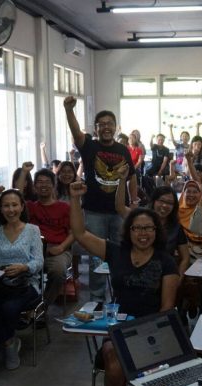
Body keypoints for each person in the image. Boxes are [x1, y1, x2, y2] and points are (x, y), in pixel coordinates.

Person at [69, 181, 179, 386]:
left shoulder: (166, 261)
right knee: (113, 360)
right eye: (137, 228)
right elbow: (80, 233)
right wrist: (74, 198)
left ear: (156, 231)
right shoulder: (115, 252)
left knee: (141, 371)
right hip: (120, 327)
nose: (143, 233)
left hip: (152, 329)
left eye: (148, 228)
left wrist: (145, 334)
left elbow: (167, 307)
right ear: (129, 231)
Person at [64, 95, 137, 302]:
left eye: (109, 123)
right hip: (95, 211)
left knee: (121, 254)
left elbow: (132, 177)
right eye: (101, 124)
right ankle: (97, 299)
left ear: (115, 127)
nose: (106, 127)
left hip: (119, 212)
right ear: (96, 129)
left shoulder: (123, 150)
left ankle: (120, 296)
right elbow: (76, 132)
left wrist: (133, 202)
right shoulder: (90, 146)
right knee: (96, 257)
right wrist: (69, 110)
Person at [0, 189, 44, 370]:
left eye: (14, 205)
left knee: (8, 308)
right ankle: (9, 342)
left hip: (26, 284)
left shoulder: (32, 230)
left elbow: (39, 262)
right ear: (1, 209)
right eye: (6, 205)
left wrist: (24, 267)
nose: (11, 209)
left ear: (22, 207)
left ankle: (4, 341)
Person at [115, 165, 189, 276]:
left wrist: (178, 278)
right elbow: (120, 207)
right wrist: (122, 180)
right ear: (153, 201)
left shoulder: (175, 228)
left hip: (165, 275)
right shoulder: (140, 217)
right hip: (136, 273)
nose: (165, 205)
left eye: (170, 203)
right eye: (161, 201)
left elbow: (185, 258)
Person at [27, 169, 73, 305]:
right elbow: (17, 192)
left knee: (58, 272)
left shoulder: (64, 207)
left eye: (47, 182)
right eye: (40, 182)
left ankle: (42, 307)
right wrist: (24, 172)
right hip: (33, 250)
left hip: (58, 249)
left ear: (53, 185)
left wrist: (61, 248)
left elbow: (74, 233)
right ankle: (27, 304)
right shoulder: (30, 207)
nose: (43, 185)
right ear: (34, 186)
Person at [178, 180, 202, 258]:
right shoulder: (176, 211)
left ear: (200, 195)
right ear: (183, 194)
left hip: (199, 251)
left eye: (195, 192)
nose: (191, 195)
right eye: (188, 191)